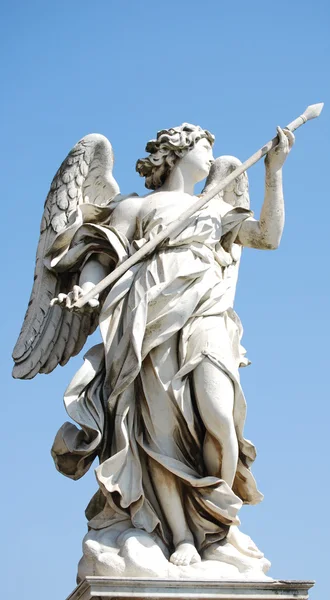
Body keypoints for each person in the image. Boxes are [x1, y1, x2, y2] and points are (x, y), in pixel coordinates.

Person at [49, 123, 294, 567]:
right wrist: (85, 290)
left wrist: (273, 173)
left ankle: (218, 523)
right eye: (205, 144)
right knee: (158, 429)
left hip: (205, 310)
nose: (212, 152)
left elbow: (267, 237)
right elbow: (103, 256)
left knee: (219, 415)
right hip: (149, 314)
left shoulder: (216, 204)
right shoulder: (136, 206)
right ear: (177, 152)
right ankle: (181, 536)